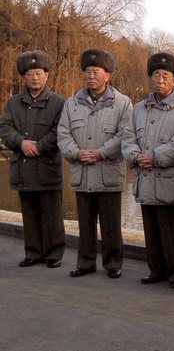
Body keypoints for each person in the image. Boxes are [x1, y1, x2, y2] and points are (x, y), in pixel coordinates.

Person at [122, 52, 174, 288]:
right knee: (151, 228)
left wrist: (155, 157)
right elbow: (128, 137)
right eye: (156, 75)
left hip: (170, 179)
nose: (160, 80)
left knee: (173, 228)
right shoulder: (140, 108)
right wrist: (135, 156)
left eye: (165, 76)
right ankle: (156, 269)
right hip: (145, 177)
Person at [57, 49, 133, 279]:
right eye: (88, 72)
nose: (91, 76)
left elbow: (125, 135)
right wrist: (77, 153)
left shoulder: (122, 103)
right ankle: (85, 262)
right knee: (85, 224)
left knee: (111, 224)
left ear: (107, 75)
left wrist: (100, 153)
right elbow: (63, 133)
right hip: (82, 172)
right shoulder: (72, 103)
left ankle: (113, 263)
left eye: (96, 72)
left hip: (108, 172)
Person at [0, 51, 66, 269]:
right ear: (24, 78)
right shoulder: (13, 103)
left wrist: (38, 146)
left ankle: (54, 252)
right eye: (30, 74)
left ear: (46, 75)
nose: (34, 78)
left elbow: (60, 131)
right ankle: (33, 252)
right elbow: (5, 128)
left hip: (46, 166)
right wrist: (21, 143)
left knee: (52, 214)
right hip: (23, 167)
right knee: (29, 213)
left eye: (38, 73)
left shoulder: (58, 102)